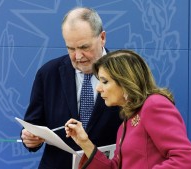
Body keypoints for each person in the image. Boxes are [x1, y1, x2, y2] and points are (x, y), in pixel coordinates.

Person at [20, 7, 122, 169]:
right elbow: (33, 123)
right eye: (71, 49)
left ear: (102, 38)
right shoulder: (48, 73)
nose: (78, 56)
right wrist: (30, 138)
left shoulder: (124, 74)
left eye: (84, 47)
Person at [65, 49, 191, 169]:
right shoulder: (127, 121)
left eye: (104, 81)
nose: (98, 88)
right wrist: (84, 142)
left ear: (125, 82)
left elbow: (185, 158)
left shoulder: (154, 104)